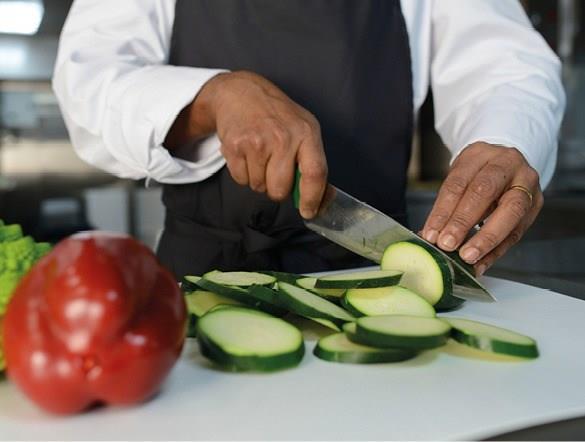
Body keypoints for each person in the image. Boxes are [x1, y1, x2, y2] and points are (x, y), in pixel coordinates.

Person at [53, 0, 564, 280]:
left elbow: (503, 64)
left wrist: (505, 138)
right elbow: (88, 79)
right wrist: (212, 98)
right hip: (201, 277)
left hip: (374, 271)